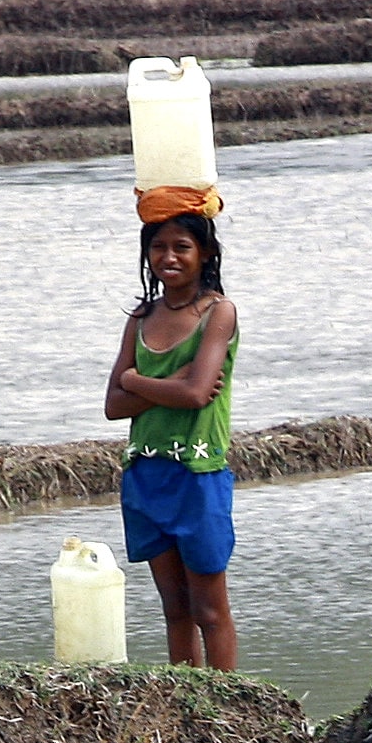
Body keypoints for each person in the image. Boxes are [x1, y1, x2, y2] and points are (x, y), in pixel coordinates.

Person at [103, 211, 239, 672]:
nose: (169, 257)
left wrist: (136, 380)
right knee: (175, 609)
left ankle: (228, 706)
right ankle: (189, 702)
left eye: (182, 246)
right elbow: (112, 405)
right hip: (145, 473)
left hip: (196, 475)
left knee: (209, 609)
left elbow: (197, 394)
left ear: (206, 254)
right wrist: (164, 382)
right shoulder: (142, 317)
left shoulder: (218, 313)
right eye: (158, 247)